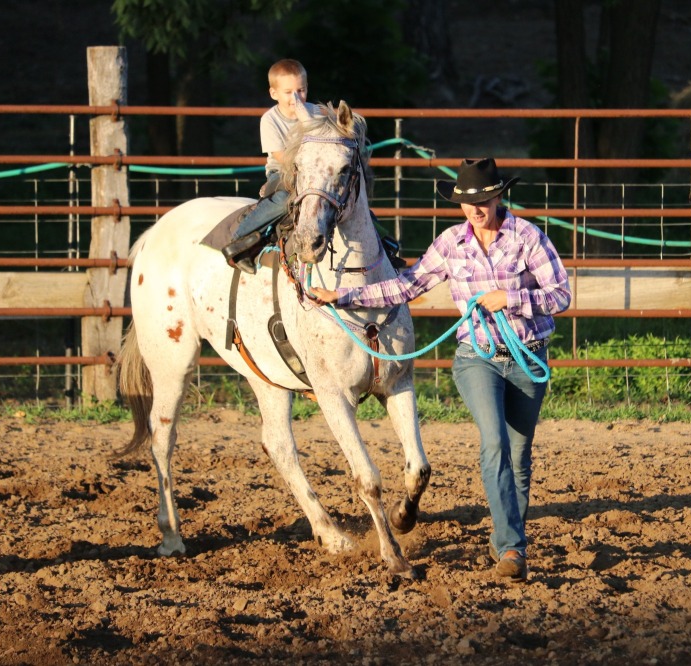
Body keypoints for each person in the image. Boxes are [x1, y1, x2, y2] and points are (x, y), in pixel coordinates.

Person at [309, 158, 571, 582]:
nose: (476, 209)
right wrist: (342, 295)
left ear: (499, 196)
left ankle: (508, 533)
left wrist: (511, 299)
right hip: (477, 358)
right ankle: (511, 549)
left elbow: (560, 295)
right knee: (495, 443)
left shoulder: (527, 237)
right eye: (468, 202)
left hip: (527, 355)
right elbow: (407, 284)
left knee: (519, 456)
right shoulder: (451, 243)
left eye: (484, 200)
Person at [222, 58, 319, 273]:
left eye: (301, 90)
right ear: (274, 94)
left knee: (343, 194)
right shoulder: (270, 120)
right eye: (288, 92)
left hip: (316, 172)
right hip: (284, 171)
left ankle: (379, 241)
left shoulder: (317, 114)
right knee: (285, 199)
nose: (296, 98)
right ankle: (239, 238)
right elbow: (281, 156)